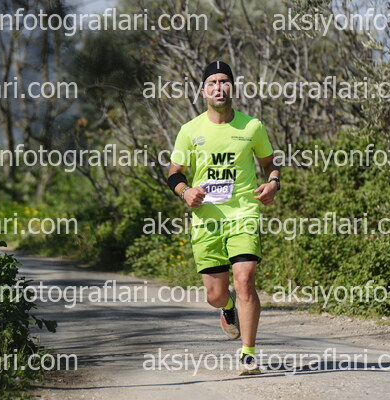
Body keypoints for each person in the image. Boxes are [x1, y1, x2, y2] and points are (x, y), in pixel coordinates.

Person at [166, 61, 280, 375]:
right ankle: (228, 309)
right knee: (215, 295)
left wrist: (273, 183)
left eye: (225, 82)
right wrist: (186, 192)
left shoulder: (251, 127)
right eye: (213, 83)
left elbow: (270, 164)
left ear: (233, 88)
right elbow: (174, 173)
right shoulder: (190, 130)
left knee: (245, 279)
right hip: (207, 220)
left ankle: (248, 354)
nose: (219, 88)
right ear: (204, 91)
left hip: (243, 213)